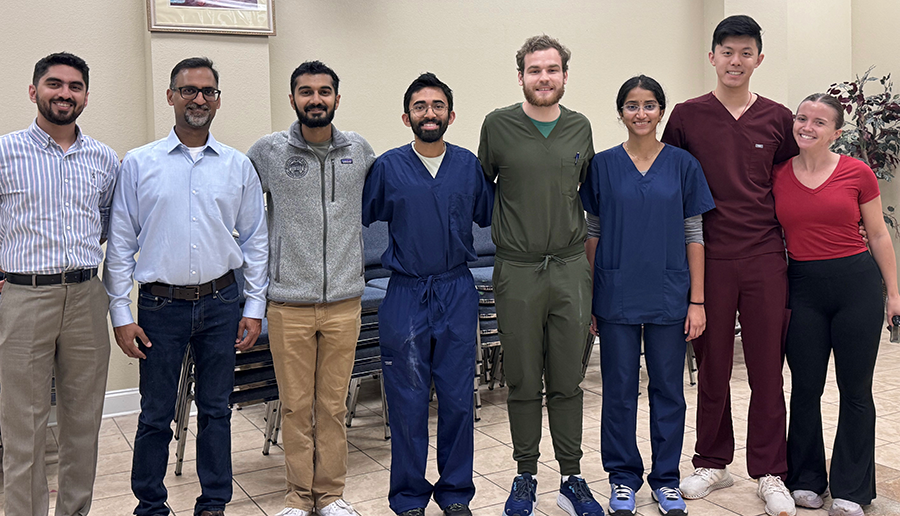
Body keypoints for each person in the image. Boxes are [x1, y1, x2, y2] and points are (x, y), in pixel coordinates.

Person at [104, 57, 268, 516]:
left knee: (216, 410)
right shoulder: (139, 164)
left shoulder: (238, 166)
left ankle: (213, 502)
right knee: (156, 414)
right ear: (171, 96)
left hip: (222, 304)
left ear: (218, 100)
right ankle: (150, 505)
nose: (199, 99)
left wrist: (253, 307)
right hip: (160, 307)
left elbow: (256, 241)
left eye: (208, 91)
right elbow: (119, 245)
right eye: (189, 90)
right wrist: (121, 314)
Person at [660, 15, 799, 516]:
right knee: (711, 363)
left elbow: (788, 184)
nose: (735, 61)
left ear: (759, 59)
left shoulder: (779, 119)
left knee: (766, 368)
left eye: (745, 53)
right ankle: (712, 461)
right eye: (727, 52)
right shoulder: (686, 116)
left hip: (765, 256)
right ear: (712, 57)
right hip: (708, 259)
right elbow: (669, 186)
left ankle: (770, 470)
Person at [478, 35, 602, 516]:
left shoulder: (580, 129)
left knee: (568, 380)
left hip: (570, 269)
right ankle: (525, 475)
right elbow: (481, 189)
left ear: (565, 76)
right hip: (519, 271)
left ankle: (572, 478)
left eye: (552, 70)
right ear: (521, 76)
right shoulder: (498, 126)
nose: (544, 78)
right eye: (535, 70)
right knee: (524, 379)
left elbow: (586, 197)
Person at [581, 75, 714, 516]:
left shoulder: (682, 164)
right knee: (618, 390)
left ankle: (666, 480)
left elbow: (694, 234)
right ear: (620, 112)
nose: (641, 113)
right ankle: (622, 478)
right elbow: (593, 233)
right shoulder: (601, 165)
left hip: (669, 293)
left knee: (668, 391)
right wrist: (593, 296)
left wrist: (697, 300)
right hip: (616, 293)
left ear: (661, 111)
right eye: (632, 106)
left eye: (650, 105)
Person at [247, 60, 375, 516]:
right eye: (306, 92)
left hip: (344, 301)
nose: (315, 99)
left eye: (324, 92)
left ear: (337, 99)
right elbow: (242, 218)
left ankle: (332, 495)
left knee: (333, 407)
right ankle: (298, 498)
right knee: (297, 408)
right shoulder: (268, 152)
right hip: (288, 304)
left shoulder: (358, 150)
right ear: (293, 98)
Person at [362, 72, 493, 516]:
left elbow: (484, 215)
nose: (429, 113)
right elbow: (364, 215)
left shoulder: (468, 166)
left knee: (458, 399)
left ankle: (456, 494)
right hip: (405, 293)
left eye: (437, 106)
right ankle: (410, 497)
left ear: (451, 115)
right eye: (420, 106)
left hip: (456, 288)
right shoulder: (386, 167)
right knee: (407, 400)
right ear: (406, 117)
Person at [0, 51, 118, 516]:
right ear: (34, 92)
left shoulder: (104, 158)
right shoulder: (6, 152)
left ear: (86, 96)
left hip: (88, 296)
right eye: (54, 84)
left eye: (74, 86)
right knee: (22, 426)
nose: (64, 93)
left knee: (83, 423)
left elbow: (108, 224)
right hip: (25, 296)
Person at [774, 93, 900, 516]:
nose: (806, 127)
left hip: (856, 287)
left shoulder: (857, 172)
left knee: (856, 390)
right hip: (803, 287)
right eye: (801, 118)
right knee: (805, 388)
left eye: (819, 122)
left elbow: (879, 234)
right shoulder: (777, 174)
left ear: (837, 133)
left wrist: (894, 294)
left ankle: (852, 488)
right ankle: (806, 478)